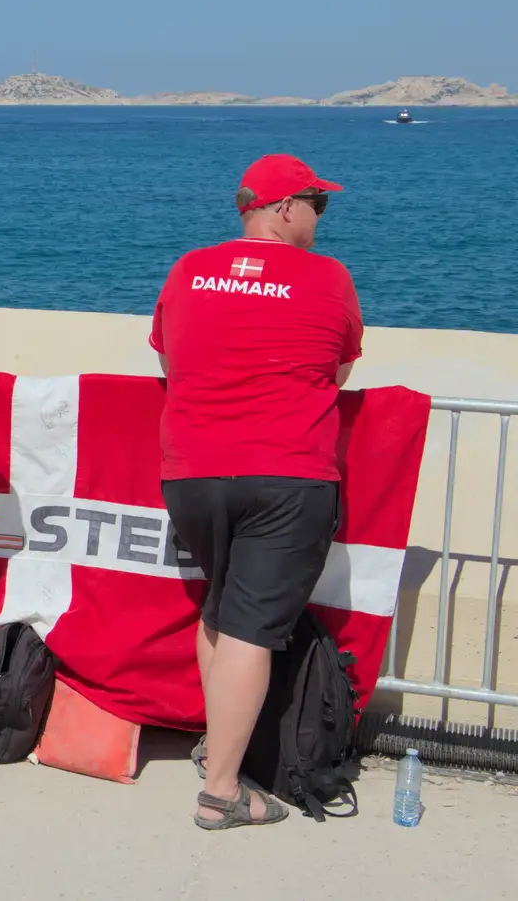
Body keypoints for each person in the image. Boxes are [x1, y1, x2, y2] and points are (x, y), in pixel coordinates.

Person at [150, 153, 362, 830]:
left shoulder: (188, 269)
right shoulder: (328, 280)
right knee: (251, 627)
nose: (319, 218)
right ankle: (222, 791)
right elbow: (343, 367)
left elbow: (167, 354)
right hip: (284, 471)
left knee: (219, 607)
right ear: (281, 208)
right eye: (316, 205)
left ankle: (219, 742)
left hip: (191, 471)